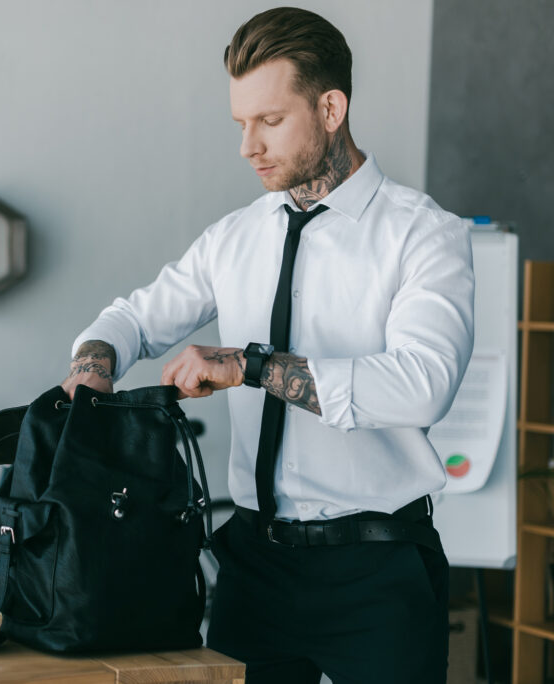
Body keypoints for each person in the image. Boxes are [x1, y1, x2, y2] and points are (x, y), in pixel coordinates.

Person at [60, 7, 474, 684]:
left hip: (377, 572)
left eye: (270, 121)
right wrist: (93, 366)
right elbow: (131, 316)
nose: (247, 145)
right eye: (240, 124)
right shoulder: (235, 237)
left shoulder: (424, 236)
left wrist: (251, 366)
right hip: (254, 570)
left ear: (331, 107)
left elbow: (422, 383)